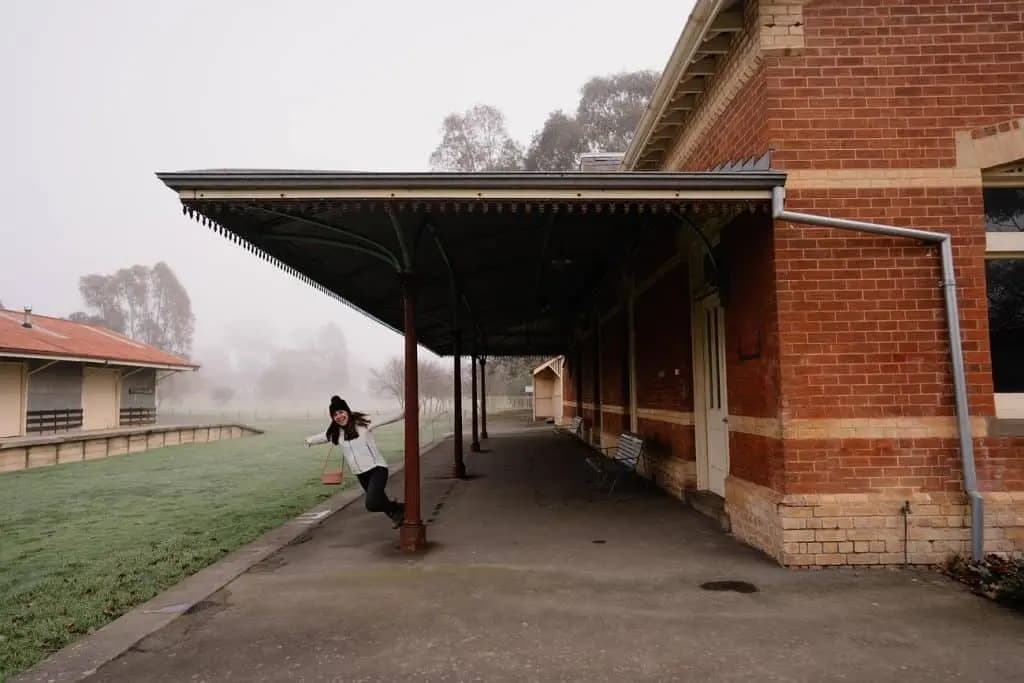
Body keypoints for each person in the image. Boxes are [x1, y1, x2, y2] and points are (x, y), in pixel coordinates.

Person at [305, 396, 405, 528]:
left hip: (376, 469)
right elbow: (323, 437)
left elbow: (385, 419)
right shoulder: (336, 432)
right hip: (360, 474)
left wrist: (403, 413)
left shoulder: (363, 423)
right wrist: (309, 440)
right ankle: (397, 514)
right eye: (335, 415)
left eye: (341, 412)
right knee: (380, 500)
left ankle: (401, 508)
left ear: (347, 411)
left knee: (372, 504)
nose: (339, 416)